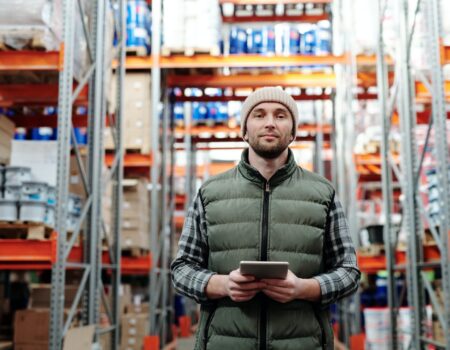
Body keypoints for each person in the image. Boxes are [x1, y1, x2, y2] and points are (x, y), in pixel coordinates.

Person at [171, 87, 361, 350]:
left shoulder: (322, 193)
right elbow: (181, 270)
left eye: (281, 115)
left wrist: (304, 288)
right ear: (244, 130)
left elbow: (349, 271)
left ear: (293, 132)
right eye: (259, 115)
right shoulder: (209, 193)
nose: (270, 122)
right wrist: (223, 285)